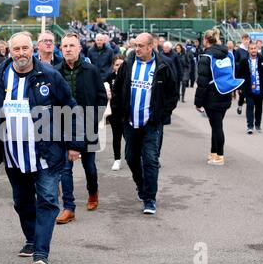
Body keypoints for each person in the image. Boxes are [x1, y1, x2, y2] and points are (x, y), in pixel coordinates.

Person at [0, 32, 85, 264]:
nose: (21, 53)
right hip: (13, 155)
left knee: (48, 201)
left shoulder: (50, 76)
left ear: (32, 49)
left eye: (25, 48)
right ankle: (31, 239)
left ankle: (41, 251)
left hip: (46, 153)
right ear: (8, 52)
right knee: (22, 202)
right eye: (16, 49)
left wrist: (74, 144)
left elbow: (70, 108)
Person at [112, 32, 178, 214]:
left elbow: (173, 94)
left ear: (151, 46)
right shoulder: (128, 64)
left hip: (151, 123)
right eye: (135, 45)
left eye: (141, 46)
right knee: (131, 158)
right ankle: (141, 186)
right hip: (130, 122)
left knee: (150, 160)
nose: (137, 49)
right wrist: (119, 113)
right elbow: (117, 89)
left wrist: (161, 115)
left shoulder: (163, 65)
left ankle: (149, 199)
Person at [55, 32, 107, 224]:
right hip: (64, 127)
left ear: (79, 49)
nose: (68, 49)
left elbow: (101, 97)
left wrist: (94, 120)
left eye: (72, 46)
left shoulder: (91, 70)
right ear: (60, 50)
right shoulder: (55, 71)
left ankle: (93, 192)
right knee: (65, 169)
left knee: (89, 166)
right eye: (65, 46)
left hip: (88, 125)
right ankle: (69, 207)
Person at [195, 28, 244, 166]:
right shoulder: (228, 54)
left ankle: (220, 156)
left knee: (216, 126)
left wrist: (198, 102)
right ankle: (214, 153)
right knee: (215, 125)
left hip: (212, 95)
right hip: (225, 92)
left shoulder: (206, 57)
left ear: (205, 40)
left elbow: (202, 82)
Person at [237, 41, 263, 134]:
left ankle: (258, 125)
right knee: (249, 106)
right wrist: (239, 86)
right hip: (248, 88)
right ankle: (250, 126)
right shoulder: (244, 61)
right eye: (251, 49)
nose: (253, 50)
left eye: (255, 48)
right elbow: (239, 74)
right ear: (248, 50)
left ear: (257, 49)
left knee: (258, 107)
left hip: (260, 88)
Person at [106, 55, 125, 171]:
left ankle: (135, 157)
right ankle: (117, 159)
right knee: (116, 136)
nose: (119, 67)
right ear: (113, 66)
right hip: (115, 112)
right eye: (117, 65)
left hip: (128, 113)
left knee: (130, 137)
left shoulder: (130, 77)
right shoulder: (109, 77)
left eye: (122, 65)